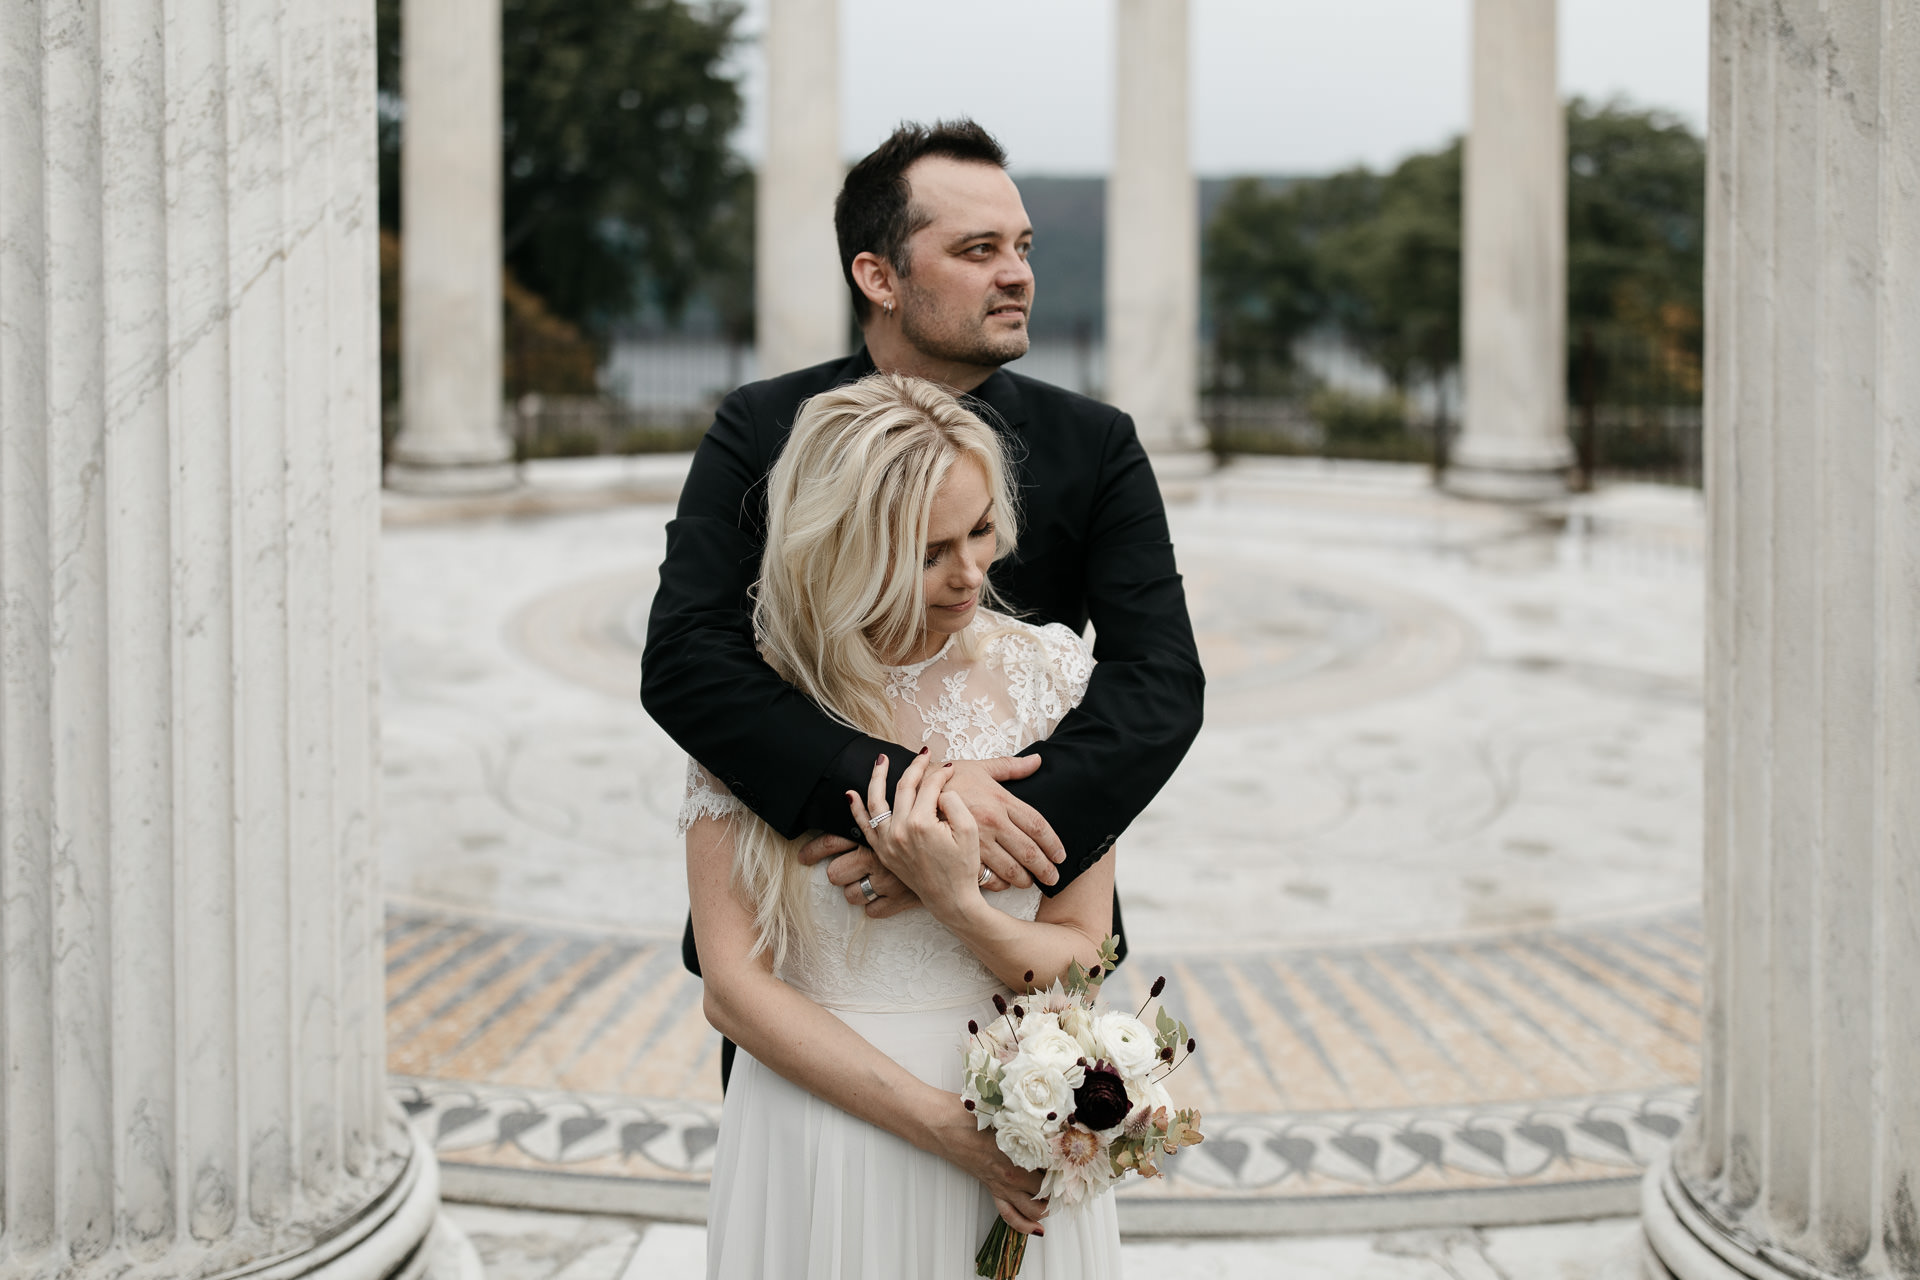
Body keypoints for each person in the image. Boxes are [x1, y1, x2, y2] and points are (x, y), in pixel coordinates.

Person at [642, 118, 1204, 1085]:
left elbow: (1159, 683)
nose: (1017, 273)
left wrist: (964, 844)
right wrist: (901, 796)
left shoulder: (1097, 443)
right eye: (978, 250)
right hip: (813, 944)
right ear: (879, 276)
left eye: (1021, 248)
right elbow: (690, 658)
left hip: (1019, 946)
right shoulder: (762, 426)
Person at [685, 372, 1122, 1275]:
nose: (972, 574)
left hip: (1015, 1127)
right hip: (825, 1129)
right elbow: (732, 988)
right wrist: (945, 1131)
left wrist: (959, 905)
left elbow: (1083, 954)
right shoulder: (754, 700)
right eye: (929, 553)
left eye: (981, 530)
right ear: (845, 547)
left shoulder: (1050, 678)